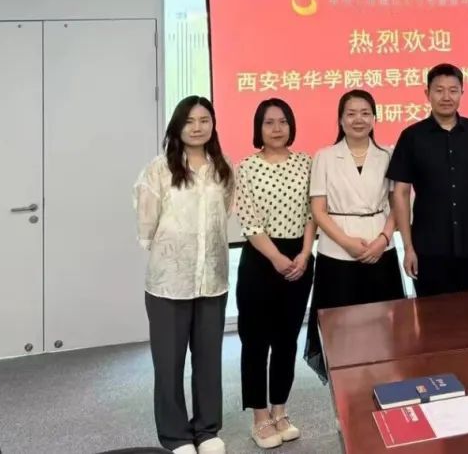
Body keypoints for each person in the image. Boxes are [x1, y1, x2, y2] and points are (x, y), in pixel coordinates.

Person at [134, 96, 233, 454]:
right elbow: (146, 220)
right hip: (169, 284)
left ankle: (207, 430)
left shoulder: (222, 167)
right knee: (169, 363)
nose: (197, 127)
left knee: (208, 361)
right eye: (189, 121)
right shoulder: (159, 169)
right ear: (177, 126)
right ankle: (175, 436)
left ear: (213, 125)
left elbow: (225, 210)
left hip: (212, 280)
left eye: (204, 120)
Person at [304, 89, 404, 381]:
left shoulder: (388, 155)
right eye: (351, 114)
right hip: (337, 253)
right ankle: (346, 390)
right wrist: (347, 242)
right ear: (340, 119)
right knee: (340, 330)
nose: (358, 119)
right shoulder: (324, 156)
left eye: (365, 113)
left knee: (384, 328)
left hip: (380, 250)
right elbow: (318, 210)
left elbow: (398, 204)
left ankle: (385, 384)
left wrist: (384, 239)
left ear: (374, 118)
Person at [234, 98, 315, 450]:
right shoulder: (246, 167)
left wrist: (305, 254)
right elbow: (250, 222)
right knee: (256, 342)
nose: (277, 128)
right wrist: (277, 259)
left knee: (287, 340)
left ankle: (280, 411)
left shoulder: (306, 163)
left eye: (283, 121)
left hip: (300, 259)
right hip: (261, 260)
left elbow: (314, 212)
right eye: (269, 123)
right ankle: (259, 418)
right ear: (259, 128)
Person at [388, 63, 468, 297]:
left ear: (462, 93)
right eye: (439, 90)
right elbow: (401, 192)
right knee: (431, 317)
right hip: (428, 249)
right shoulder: (411, 137)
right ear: (427, 93)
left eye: (453, 90)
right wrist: (408, 247)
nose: (446, 97)